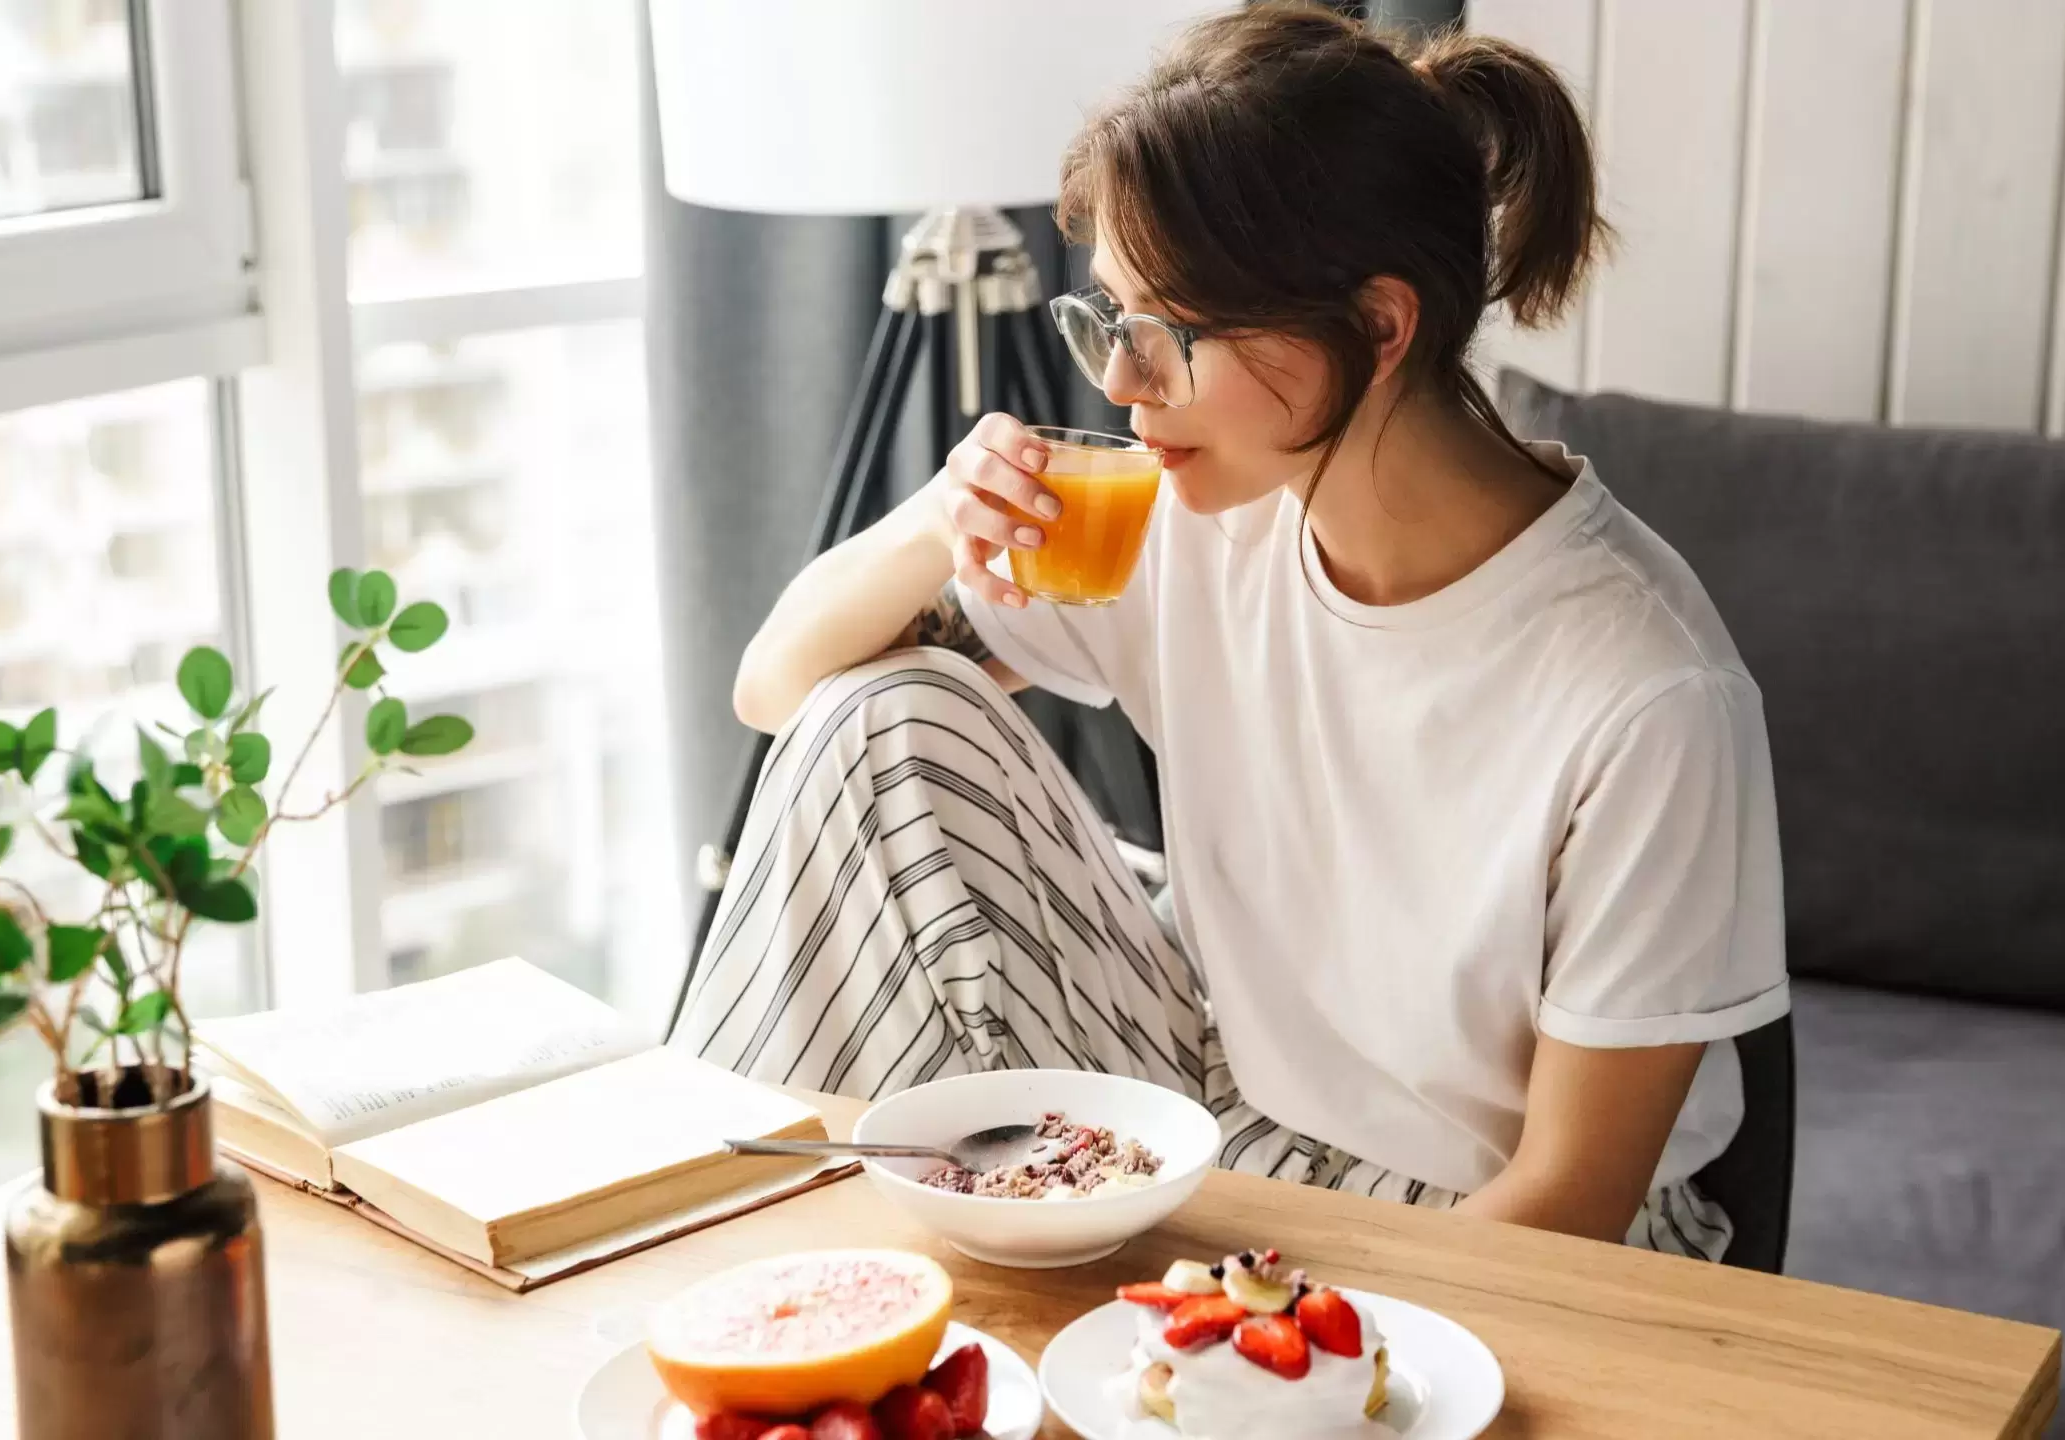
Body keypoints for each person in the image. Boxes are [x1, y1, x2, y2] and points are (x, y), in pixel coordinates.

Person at [670, 3, 1786, 1260]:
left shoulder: (1645, 690)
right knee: (883, 717)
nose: (1118, 386)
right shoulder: (1188, 512)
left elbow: (1574, 1196)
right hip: (1229, 1109)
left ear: (1377, 325)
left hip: (1514, 1233)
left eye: (1170, 336)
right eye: (1107, 320)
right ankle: (739, 1288)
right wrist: (942, 514)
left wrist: (1229, 1314)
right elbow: (780, 690)